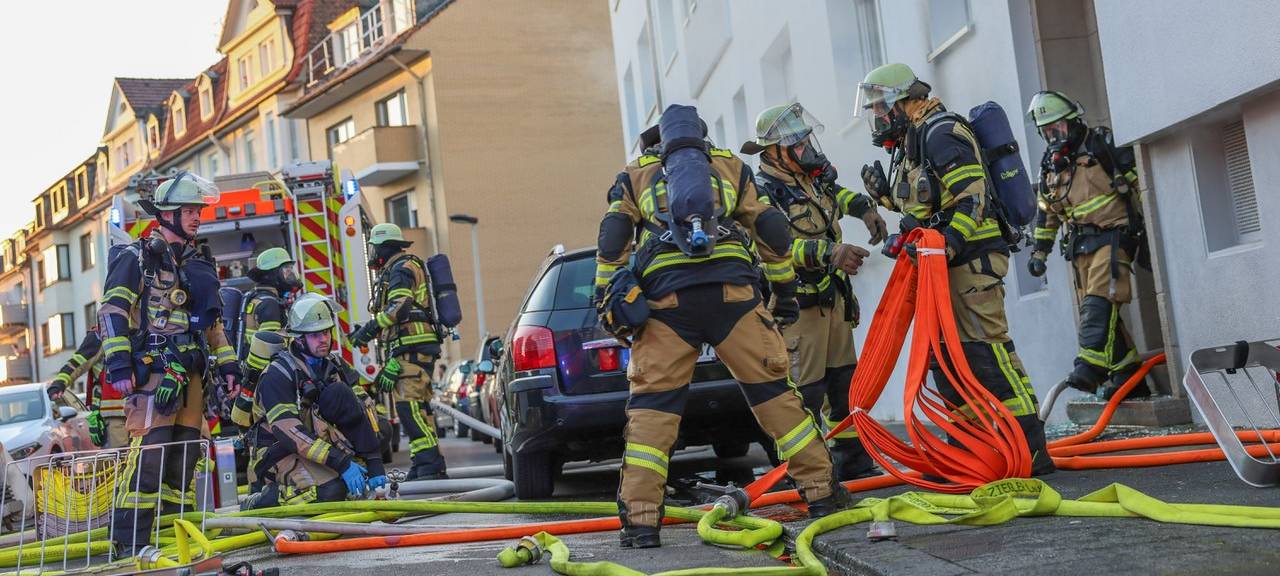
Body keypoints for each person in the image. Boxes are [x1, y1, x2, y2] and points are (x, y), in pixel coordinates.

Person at [596, 104, 850, 549]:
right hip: (734, 295)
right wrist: (784, 293)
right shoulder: (729, 165)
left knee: (653, 413)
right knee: (776, 398)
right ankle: (822, 495)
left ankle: (640, 524)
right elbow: (772, 231)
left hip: (666, 304)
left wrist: (607, 300)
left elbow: (613, 239)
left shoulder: (635, 174)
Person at [855, 63, 1054, 475]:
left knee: (987, 353)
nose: (876, 116)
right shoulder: (913, 142)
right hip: (941, 269)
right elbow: (926, 203)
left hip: (971, 263)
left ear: (903, 101)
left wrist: (949, 244)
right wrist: (886, 197)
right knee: (945, 361)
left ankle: (1031, 448)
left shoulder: (941, 132)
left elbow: (972, 198)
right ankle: (969, 452)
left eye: (880, 107)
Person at [740, 102, 888, 480]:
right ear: (774, 152)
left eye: (806, 141)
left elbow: (836, 196)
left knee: (844, 385)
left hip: (833, 299)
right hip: (797, 306)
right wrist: (830, 252)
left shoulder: (811, 179)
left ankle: (852, 460)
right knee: (803, 394)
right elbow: (773, 249)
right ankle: (802, 474)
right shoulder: (761, 195)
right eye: (798, 144)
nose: (807, 148)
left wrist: (865, 209)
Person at [100, 172, 241, 554]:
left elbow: (212, 326)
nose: (197, 217)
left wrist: (229, 366)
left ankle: (173, 540)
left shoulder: (198, 263)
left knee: (184, 460)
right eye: (189, 210)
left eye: (198, 210)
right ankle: (129, 544)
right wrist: (119, 365)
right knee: (151, 456)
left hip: (192, 374)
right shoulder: (136, 257)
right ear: (166, 214)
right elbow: (112, 311)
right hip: (154, 373)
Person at [1026, 90, 1147, 401]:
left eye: (1057, 129)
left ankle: (1090, 368)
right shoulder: (1051, 166)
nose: (1053, 137)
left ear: (1073, 122)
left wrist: (1148, 229)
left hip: (1114, 237)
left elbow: (1141, 182)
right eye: (1046, 132)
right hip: (1081, 247)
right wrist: (1039, 252)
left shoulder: (1100, 145)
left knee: (1099, 304)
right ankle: (1129, 375)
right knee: (1101, 316)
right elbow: (1047, 213)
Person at [241, 293, 386, 509]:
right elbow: (290, 432)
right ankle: (262, 501)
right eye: (316, 335)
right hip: (278, 452)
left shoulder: (333, 365)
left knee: (381, 428)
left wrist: (373, 460)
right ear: (299, 339)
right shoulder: (278, 374)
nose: (324, 339)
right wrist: (341, 463)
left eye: (326, 332)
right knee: (331, 491)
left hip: (315, 445)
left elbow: (361, 407)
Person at [349, 223, 446, 480]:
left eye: (374, 248)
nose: (372, 253)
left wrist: (370, 329)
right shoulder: (402, 266)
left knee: (409, 408)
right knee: (419, 409)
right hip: (412, 347)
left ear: (384, 248)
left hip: (413, 346)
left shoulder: (401, 269)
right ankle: (427, 463)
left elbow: (400, 307)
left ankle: (429, 464)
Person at [47, 325, 127, 448]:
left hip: (143, 409)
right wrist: (60, 382)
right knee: (122, 455)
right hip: (115, 413)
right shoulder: (99, 335)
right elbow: (77, 362)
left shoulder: (144, 327)